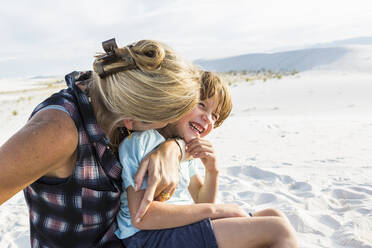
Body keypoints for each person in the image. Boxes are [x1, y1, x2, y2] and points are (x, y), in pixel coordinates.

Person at [0, 38, 201, 247]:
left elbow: (185, 137)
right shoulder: (57, 131)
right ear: (132, 120)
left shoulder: (122, 101)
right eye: (170, 119)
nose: (169, 125)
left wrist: (172, 149)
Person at [116, 71, 299, 248]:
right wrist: (219, 210)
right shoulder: (143, 141)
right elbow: (142, 217)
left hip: (175, 230)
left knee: (273, 214)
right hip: (148, 237)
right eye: (202, 105)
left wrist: (212, 170)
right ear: (180, 102)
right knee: (278, 230)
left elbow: (202, 201)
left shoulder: (183, 151)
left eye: (215, 116)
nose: (207, 118)